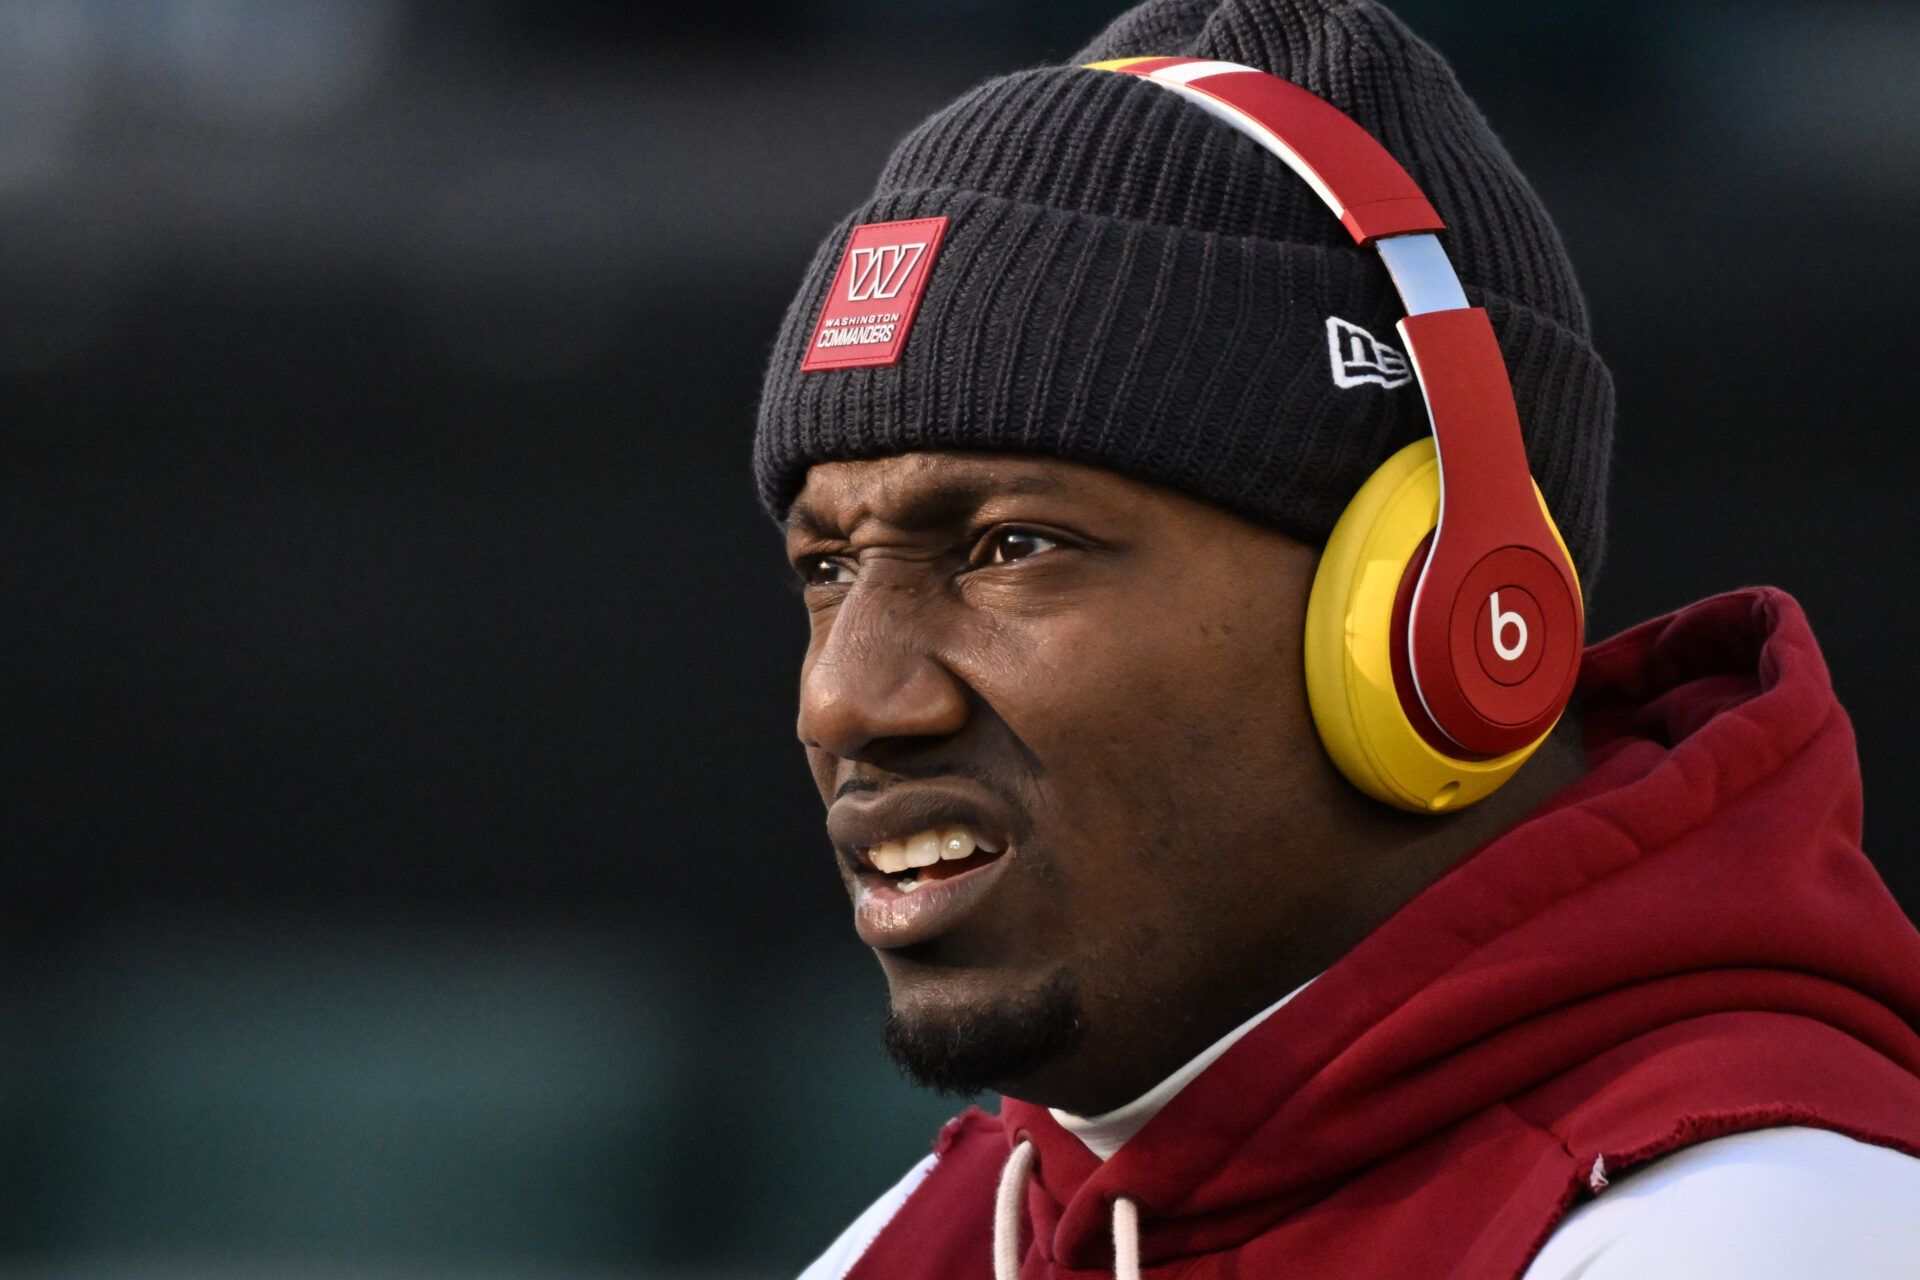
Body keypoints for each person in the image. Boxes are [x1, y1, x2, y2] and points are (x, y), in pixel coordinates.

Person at [751, 0, 1920, 1276]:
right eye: (827, 564)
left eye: (1011, 547)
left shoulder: (1758, 1225)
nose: (846, 699)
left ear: (1448, 616)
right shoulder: (924, 1240)